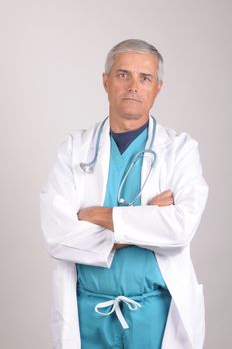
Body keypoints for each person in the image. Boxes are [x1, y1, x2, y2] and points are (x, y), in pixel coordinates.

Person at [40, 39, 209, 349]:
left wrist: (98, 217)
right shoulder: (74, 149)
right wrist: (146, 221)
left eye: (145, 78)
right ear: (106, 82)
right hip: (86, 315)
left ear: (158, 87)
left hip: (154, 317)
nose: (134, 86)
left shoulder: (181, 151)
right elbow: (57, 234)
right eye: (123, 75)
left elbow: (180, 228)